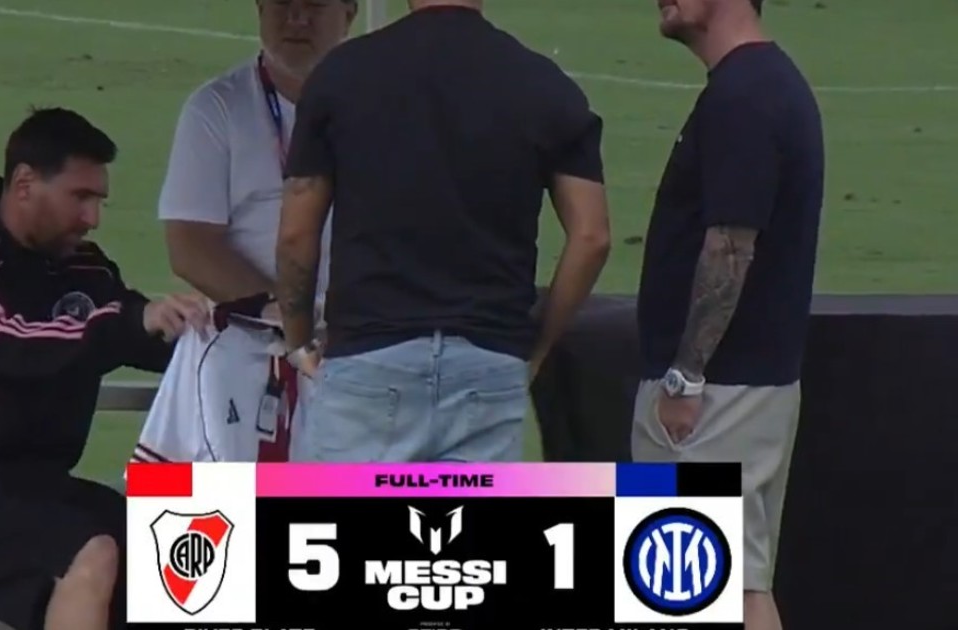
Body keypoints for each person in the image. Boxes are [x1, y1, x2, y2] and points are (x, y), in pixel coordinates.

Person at [0, 107, 210, 630]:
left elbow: (134, 328)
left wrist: (222, 333)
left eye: (99, 201)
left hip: (37, 492)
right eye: (81, 197)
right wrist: (129, 323)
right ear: (25, 183)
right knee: (90, 551)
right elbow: (6, 339)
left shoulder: (82, 265)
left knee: (191, 549)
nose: (92, 217)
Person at [274, 0, 612, 462]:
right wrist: (537, 344)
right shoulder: (545, 84)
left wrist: (298, 340)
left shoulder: (342, 74)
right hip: (488, 363)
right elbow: (591, 236)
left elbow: (296, 233)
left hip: (371, 359)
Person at [632, 0, 825, 627]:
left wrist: (685, 377)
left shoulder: (745, 97)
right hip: (740, 386)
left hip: (715, 394)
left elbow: (731, 245)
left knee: (699, 589)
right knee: (735, 584)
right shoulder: (759, 86)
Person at [132, 0, 356, 464]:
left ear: (350, 13)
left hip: (353, 348)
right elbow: (190, 245)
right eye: (283, 3)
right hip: (242, 347)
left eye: (315, 4)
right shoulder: (217, 108)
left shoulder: (384, 112)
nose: (298, 16)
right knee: (213, 512)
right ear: (259, 8)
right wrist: (287, 315)